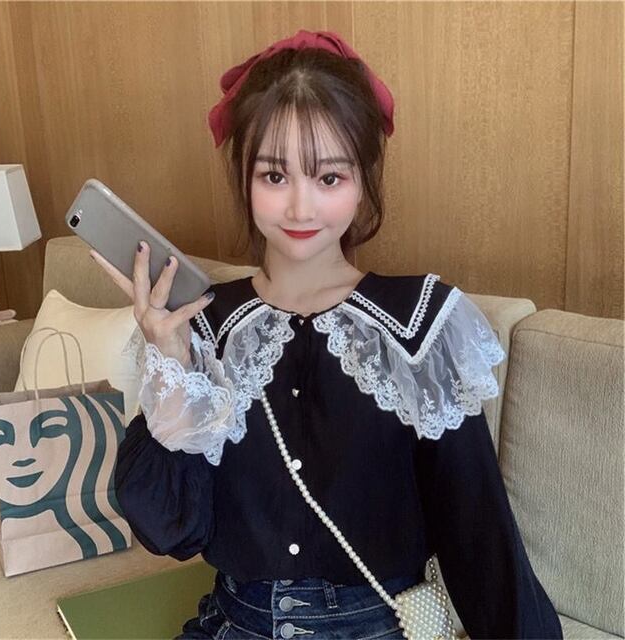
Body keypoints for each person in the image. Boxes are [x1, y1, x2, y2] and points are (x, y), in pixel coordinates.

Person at [91, 29, 563, 640]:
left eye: (329, 178)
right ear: (243, 178)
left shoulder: (421, 323)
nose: (300, 208)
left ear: (363, 180)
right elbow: (169, 530)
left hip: (378, 627)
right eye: (274, 176)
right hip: (234, 624)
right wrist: (172, 365)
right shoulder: (200, 325)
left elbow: (478, 530)